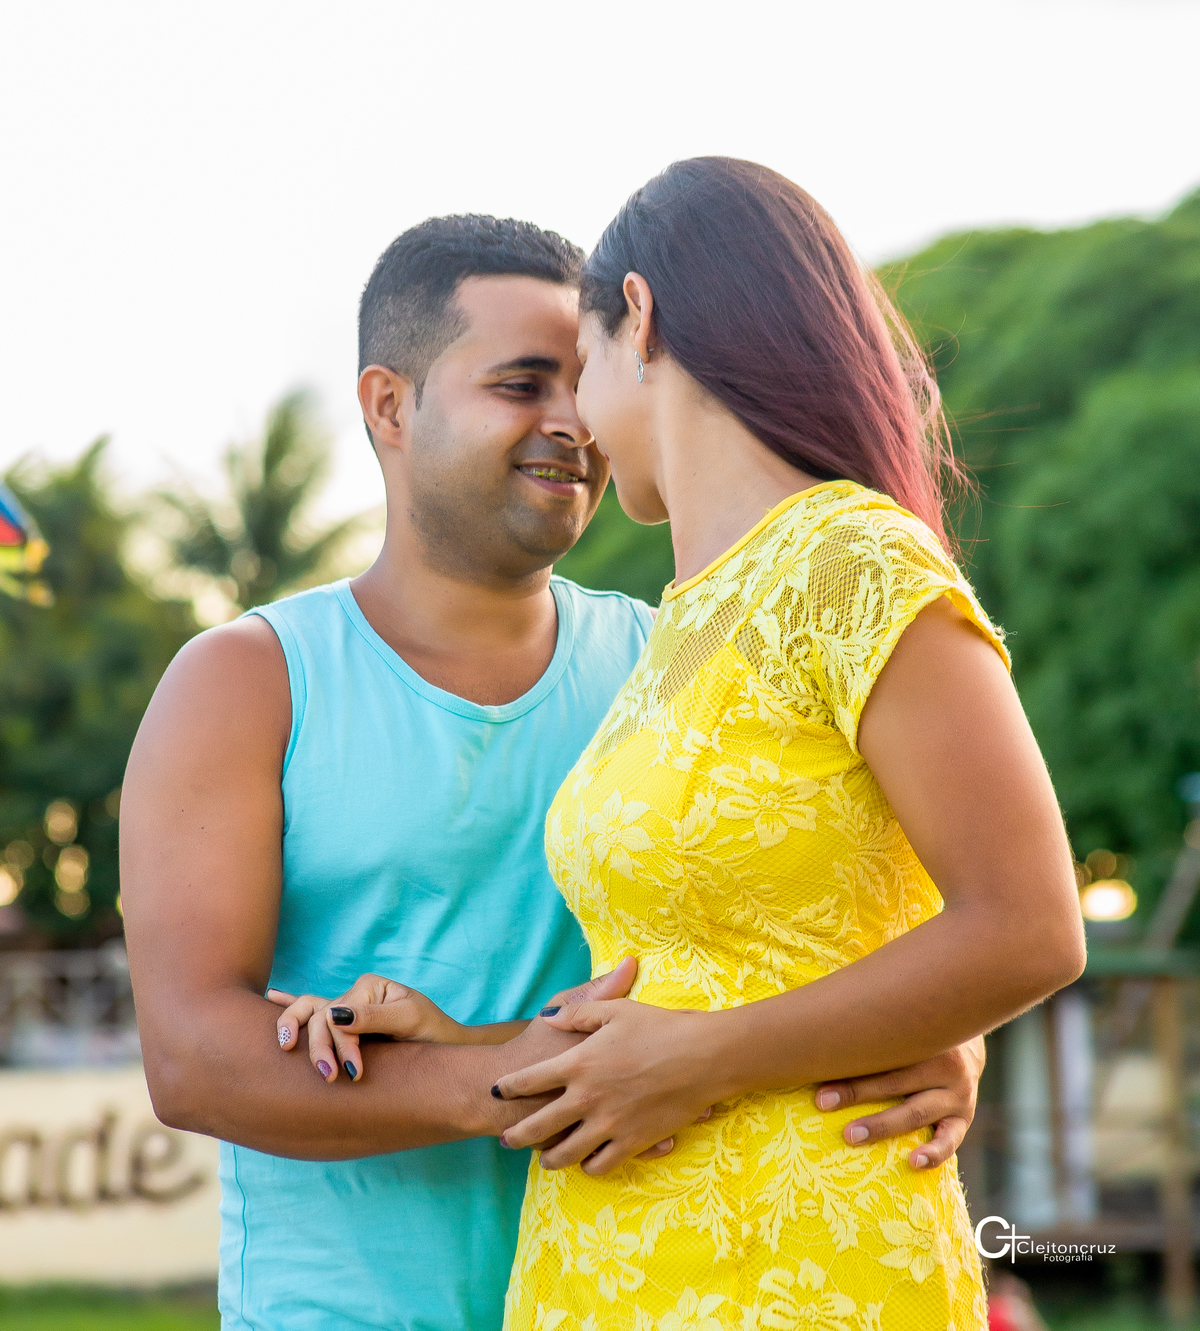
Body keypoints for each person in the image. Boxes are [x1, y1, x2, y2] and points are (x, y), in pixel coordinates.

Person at [121, 214, 988, 1331]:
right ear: (389, 405)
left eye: (583, 379)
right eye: (522, 383)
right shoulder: (246, 681)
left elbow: (889, 903)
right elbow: (194, 1053)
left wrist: (944, 1039)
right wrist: (519, 1081)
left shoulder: (675, 661)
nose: (574, 422)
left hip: (649, 1292)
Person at [487, 159, 1087, 1329]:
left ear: (642, 318)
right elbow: (691, 970)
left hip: (803, 1264)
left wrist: (706, 1059)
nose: (573, 420)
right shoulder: (677, 630)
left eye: (578, 364)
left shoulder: (854, 562)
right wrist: (456, 1036)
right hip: (605, 1269)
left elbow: (1029, 923)